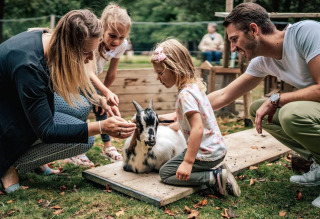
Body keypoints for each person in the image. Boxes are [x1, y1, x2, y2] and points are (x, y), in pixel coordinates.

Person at [0, 9, 136, 194]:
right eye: (86, 52)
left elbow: (69, 84)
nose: (90, 58)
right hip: (7, 121)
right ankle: (10, 165)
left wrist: (99, 99)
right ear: (68, 48)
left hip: (19, 108)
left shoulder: (48, 40)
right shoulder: (29, 67)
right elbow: (47, 131)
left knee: (81, 105)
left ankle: (35, 161)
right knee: (85, 140)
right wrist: (103, 126)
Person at [205, 2, 320, 208]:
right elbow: (223, 95)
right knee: (257, 108)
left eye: (234, 39)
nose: (233, 48)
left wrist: (277, 98)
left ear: (253, 30)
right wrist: (180, 113)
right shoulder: (263, 61)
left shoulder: (306, 33)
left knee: (290, 114)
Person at [150, 39, 241, 197]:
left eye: (160, 73)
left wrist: (188, 162)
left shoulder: (185, 95)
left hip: (206, 153)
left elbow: (197, 128)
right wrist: (159, 120)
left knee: (166, 173)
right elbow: (186, 119)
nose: (158, 78)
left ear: (175, 68)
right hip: (216, 149)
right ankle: (218, 172)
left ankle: (214, 177)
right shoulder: (193, 87)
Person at [60, 3, 132, 165]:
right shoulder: (92, 39)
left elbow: (112, 72)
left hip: (93, 80)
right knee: (81, 108)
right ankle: (74, 150)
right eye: (112, 36)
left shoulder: (122, 45)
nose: (117, 41)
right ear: (102, 30)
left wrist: (104, 94)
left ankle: (107, 146)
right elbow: (88, 72)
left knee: (101, 106)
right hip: (75, 76)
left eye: (121, 37)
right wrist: (105, 92)